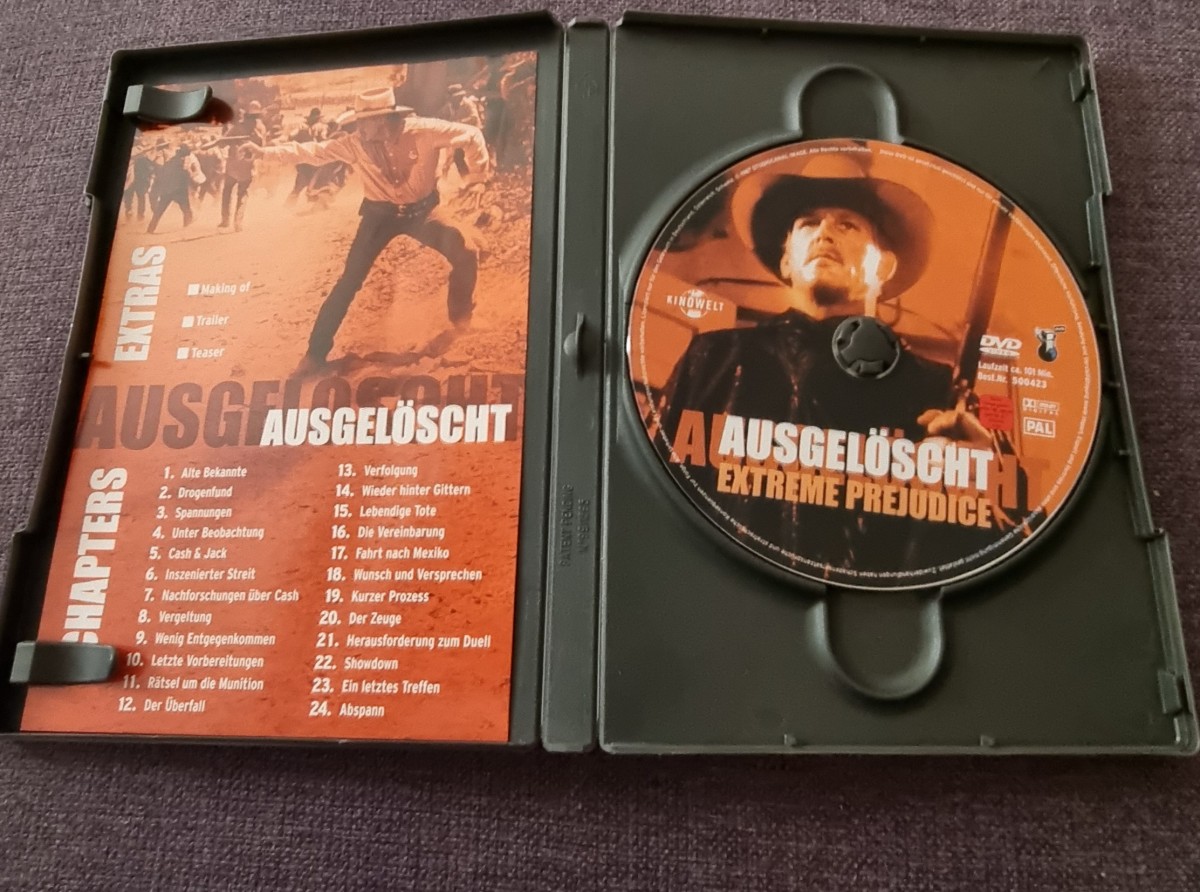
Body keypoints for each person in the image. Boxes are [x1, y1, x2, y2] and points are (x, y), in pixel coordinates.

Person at [656, 149, 990, 578]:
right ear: (786, 260)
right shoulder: (713, 356)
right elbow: (655, 496)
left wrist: (975, 484)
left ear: (883, 267)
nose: (825, 233)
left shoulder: (933, 387)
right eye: (808, 223)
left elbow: (960, 552)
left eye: (848, 224)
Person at [249, 87, 489, 374]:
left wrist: (478, 176)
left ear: (384, 119)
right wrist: (263, 152)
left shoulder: (425, 131)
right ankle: (314, 355)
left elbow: (472, 135)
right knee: (349, 281)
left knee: (465, 250)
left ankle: (461, 320)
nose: (360, 128)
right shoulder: (354, 143)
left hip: (423, 213)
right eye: (359, 122)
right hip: (379, 217)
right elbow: (313, 152)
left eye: (365, 122)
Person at [220, 101, 267, 230]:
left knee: (231, 192)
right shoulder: (260, 128)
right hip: (242, 166)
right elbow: (261, 149)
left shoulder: (241, 127)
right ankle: (236, 221)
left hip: (239, 166)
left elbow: (223, 142)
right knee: (240, 193)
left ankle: (228, 220)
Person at [146, 145, 205, 234]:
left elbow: (163, 173)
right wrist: (192, 177)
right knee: (186, 210)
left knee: (159, 210)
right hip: (179, 190)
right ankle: (186, 227)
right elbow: (188, 174)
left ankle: (151, 229)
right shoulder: (183, 162)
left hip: (167, 189)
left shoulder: (171, 161)